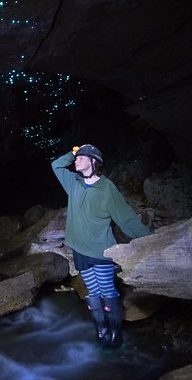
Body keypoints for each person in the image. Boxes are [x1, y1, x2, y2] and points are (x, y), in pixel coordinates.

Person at [51, 144, 152, 349]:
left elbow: (126, 218)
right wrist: (73, 153)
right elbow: (57, 165)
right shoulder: (74, 183)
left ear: (94, 162)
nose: (77, 161)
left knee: (107, 290)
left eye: (81, 158)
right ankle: (100, 330)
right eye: (76, 158)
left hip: (101, 251)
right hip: (80, 250)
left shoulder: (107, 188)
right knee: (92, 291)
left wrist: (149, 239)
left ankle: (116, 333)